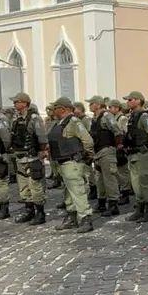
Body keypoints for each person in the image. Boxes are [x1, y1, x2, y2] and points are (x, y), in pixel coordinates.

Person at [48, 97, 95, 233]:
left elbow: (88, 141)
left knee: (77, 191)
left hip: (72, 162)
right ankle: (71, 216)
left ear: (63, 109)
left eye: (55, 108)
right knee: (68, 192)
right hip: (63, 162)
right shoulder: (60, 123)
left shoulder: (74, 122)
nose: (53, 111)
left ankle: (86, 218)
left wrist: (87, 157)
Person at [10, 94, 49, 224]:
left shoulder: (34, 119)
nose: (14, 104)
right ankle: (29, 211)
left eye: (17, 102)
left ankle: (40, 213)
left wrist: (42, 151)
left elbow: (42, 138)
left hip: (32, 158)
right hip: (20, 157)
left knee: (35, 186)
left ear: (25, 103)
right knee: (23, 187)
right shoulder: (17, 119)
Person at [123, 91, 148, 222]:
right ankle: (140, 208)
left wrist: (146, 146)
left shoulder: (144, 116)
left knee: (145, 182)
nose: (128, 102)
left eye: (130, 99)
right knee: (136, 184)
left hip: (142, 154)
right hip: (133, 154)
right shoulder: (132, 117)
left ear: (139, 101)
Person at [87, 95, 123, 217]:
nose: (89, 105)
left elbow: (117, 131)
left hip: (107, 150)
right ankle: (101, 201)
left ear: (98, 104)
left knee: (109, 179)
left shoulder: (107, 116)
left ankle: (113, 205)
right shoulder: (94, 118)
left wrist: (117, 146)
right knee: (100, 180)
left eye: (91, 103)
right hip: (98, 152)